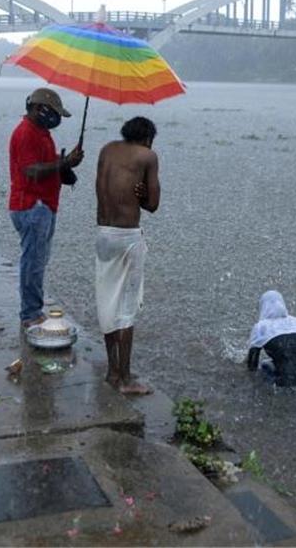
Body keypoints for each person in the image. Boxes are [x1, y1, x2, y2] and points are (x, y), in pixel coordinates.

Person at [94, 116, 160, 395]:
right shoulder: (147, 156)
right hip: (127, 238)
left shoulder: (107, 149)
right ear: (147, 138)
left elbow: (103, 189)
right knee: (127, 307)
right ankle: (126, 377)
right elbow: (153, 205)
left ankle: (112, 371)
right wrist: (144, 193)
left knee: (107, 302)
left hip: (103, 234)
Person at [8, 88, 84, 328]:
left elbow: (47, 166)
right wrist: (63, 162)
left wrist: (66, 165)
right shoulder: (26, 133)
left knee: (38, 260)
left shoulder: (41, 133)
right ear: (37, 108)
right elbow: (31, 170)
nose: (55, 118)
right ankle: (30, 314)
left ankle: (34, 309)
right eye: (52, 112)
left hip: (43, 205)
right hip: (32, 205)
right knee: (33, 261)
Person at [246, 289, 296, 387]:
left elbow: (252, 363)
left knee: (265, 365)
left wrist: (250, 378)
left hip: (288, 380)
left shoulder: (261, 327)